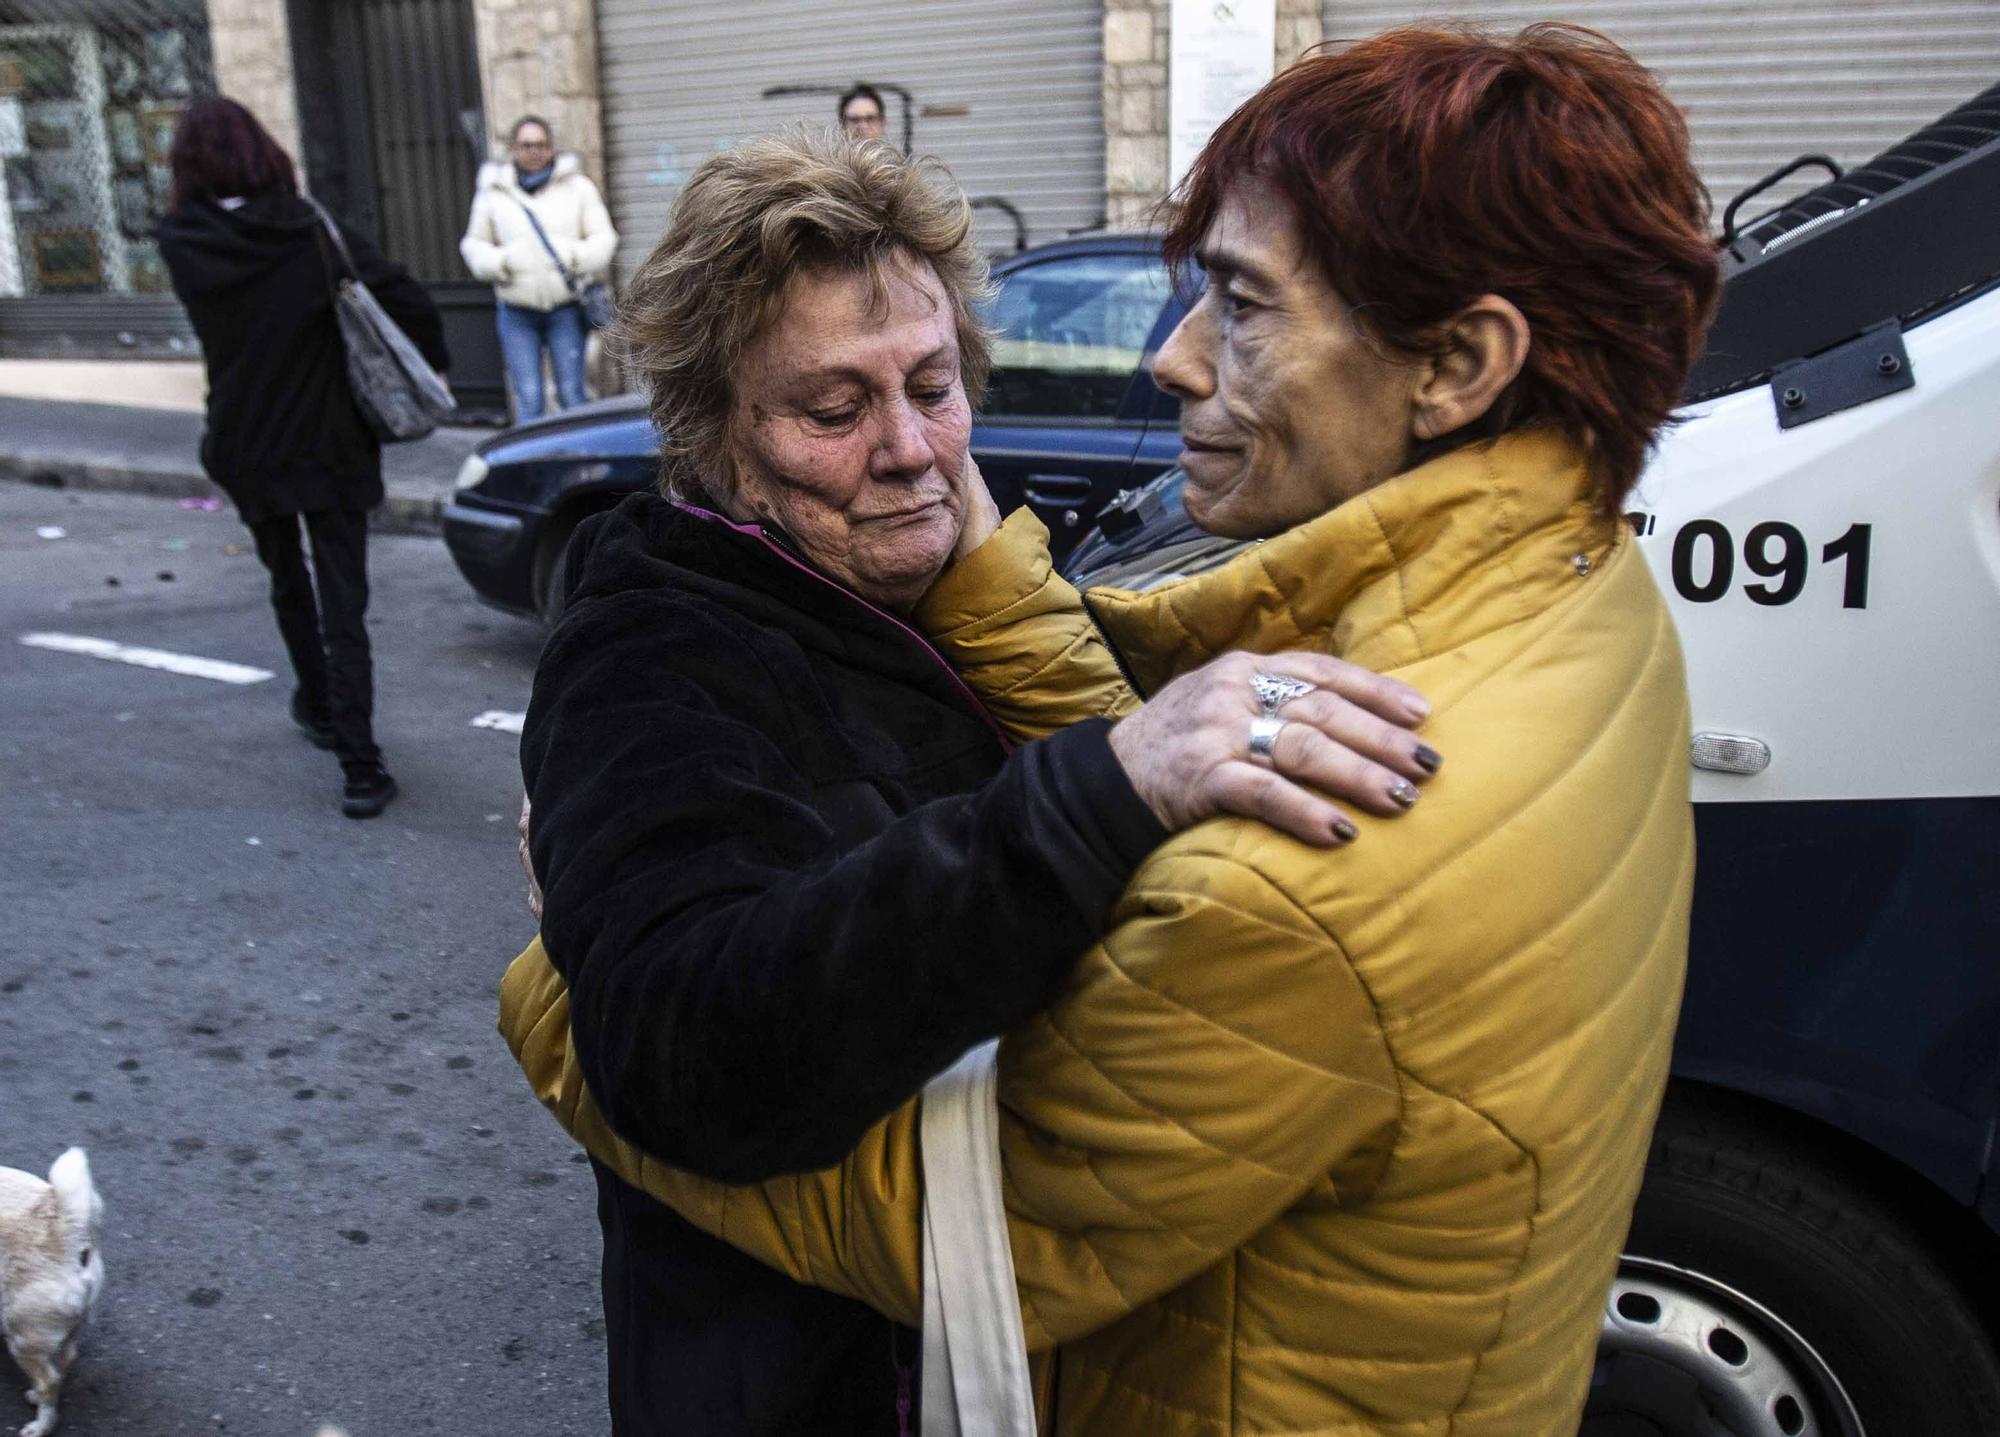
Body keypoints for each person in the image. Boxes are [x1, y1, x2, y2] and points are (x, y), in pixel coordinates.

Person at [505, 23, 1720, 1437]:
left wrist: (549, 989)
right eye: (836, 407)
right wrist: (1098, 769)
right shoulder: (656, 642)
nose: (911, 447)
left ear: (1458, 364)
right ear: (712, 440)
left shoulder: (1315, 856)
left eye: (936, 384)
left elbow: (981, 1208)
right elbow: (691, 1032)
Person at [157, 96, 447, 819]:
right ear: (263, 152)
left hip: (244, 440)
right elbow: (406, 296)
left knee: (287, 581)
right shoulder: (307, 229)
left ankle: (317, 705)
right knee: (343, 601)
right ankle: (360, 763)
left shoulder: (181, 241)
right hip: (328, 440)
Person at [458, 116, 617, 422]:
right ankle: (532, 467)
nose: (535, 151)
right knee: (529, 398)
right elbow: (473, 244)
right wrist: (502, 263)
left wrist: (571, 257)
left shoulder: (577, 187)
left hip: (565, 308)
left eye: (542, 144)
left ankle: (580, 460)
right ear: (513, 149)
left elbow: (604, 239)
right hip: (516, 310)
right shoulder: (494, 192)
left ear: (552, 148)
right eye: (527, 145)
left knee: (572, 394)